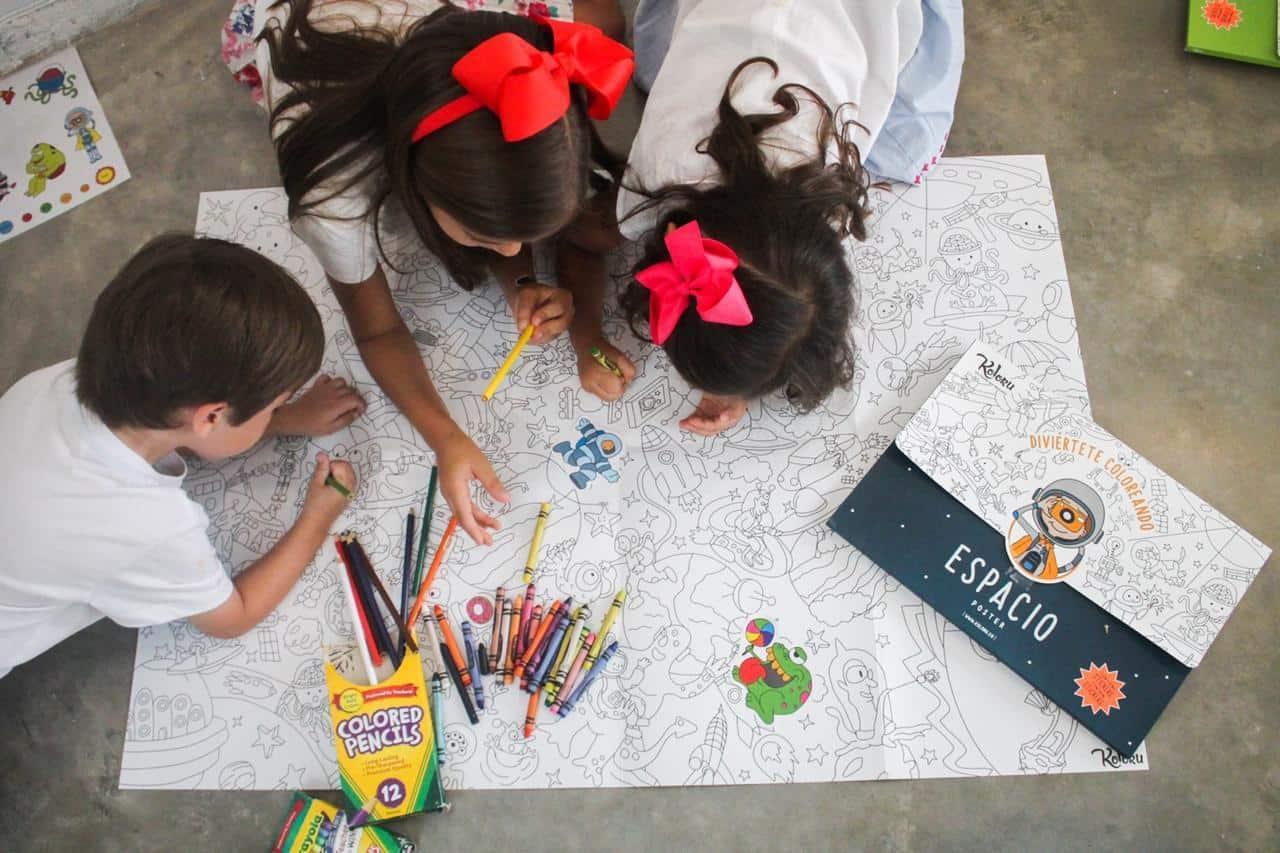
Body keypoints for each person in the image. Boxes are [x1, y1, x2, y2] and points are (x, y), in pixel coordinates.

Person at [254, 0, 631, 543]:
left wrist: (523, 283)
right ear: (416, 186)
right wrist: (444, 436)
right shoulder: (334, 200)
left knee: (608, 24)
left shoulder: (497, 55)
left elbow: (507, 201)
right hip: (299, 26)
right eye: (485, 236)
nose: (512, 251)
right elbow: (377, 330)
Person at [595, 0, 964, 434]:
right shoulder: (661, 175)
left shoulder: (819, 189)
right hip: (767, 26)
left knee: (905, 148)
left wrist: (737, 382)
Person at [0, 235, 359, 679]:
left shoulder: (59, 382)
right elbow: (233, 618)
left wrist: (288, 419)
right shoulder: (145, 525)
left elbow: (190, 430)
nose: (277, 412)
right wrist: (319, 515)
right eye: (273, 406)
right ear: (210, 416)